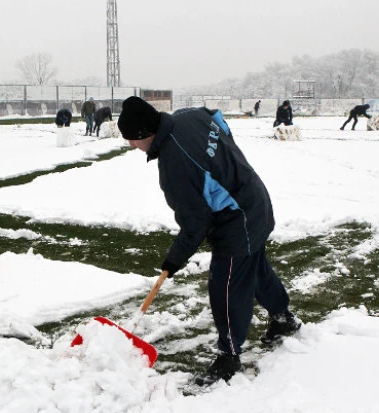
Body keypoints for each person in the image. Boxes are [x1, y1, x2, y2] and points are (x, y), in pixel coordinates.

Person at [117, 96, 301, 387]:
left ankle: (229, 356)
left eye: (130, 139)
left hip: (236, 220)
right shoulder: (190, 115)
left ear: (144, 134)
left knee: (225, 284)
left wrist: (173, 259)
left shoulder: (174, 167)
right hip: (254, 198)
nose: (130, 145)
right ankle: (282, 318)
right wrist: (226, 163)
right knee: (254, 268)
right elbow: (220, 121)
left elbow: (195, 223)